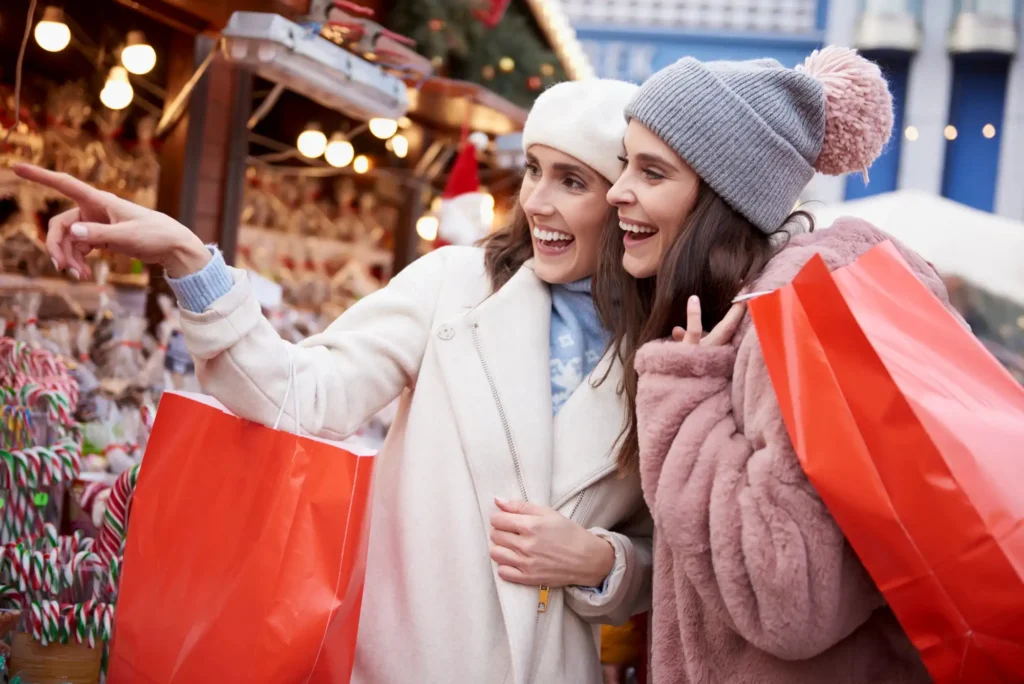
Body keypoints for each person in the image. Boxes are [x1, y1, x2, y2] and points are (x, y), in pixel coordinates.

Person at [16, 78, 652, 683]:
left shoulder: (664, 349)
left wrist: (603, 563)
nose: (537, 200)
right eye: (534, 170)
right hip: (403, 660)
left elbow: (669, 554)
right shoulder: (455, 286)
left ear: (623, 201)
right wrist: (188, 260)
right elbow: (305, 395)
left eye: (573, 181)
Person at [592, 47, 954, 683]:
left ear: (723, 199)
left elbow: (788, 598)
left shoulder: (786, 324)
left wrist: (684, 401)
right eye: (627, 164)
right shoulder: (744, 315)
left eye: (652, 173)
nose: (617, 190)